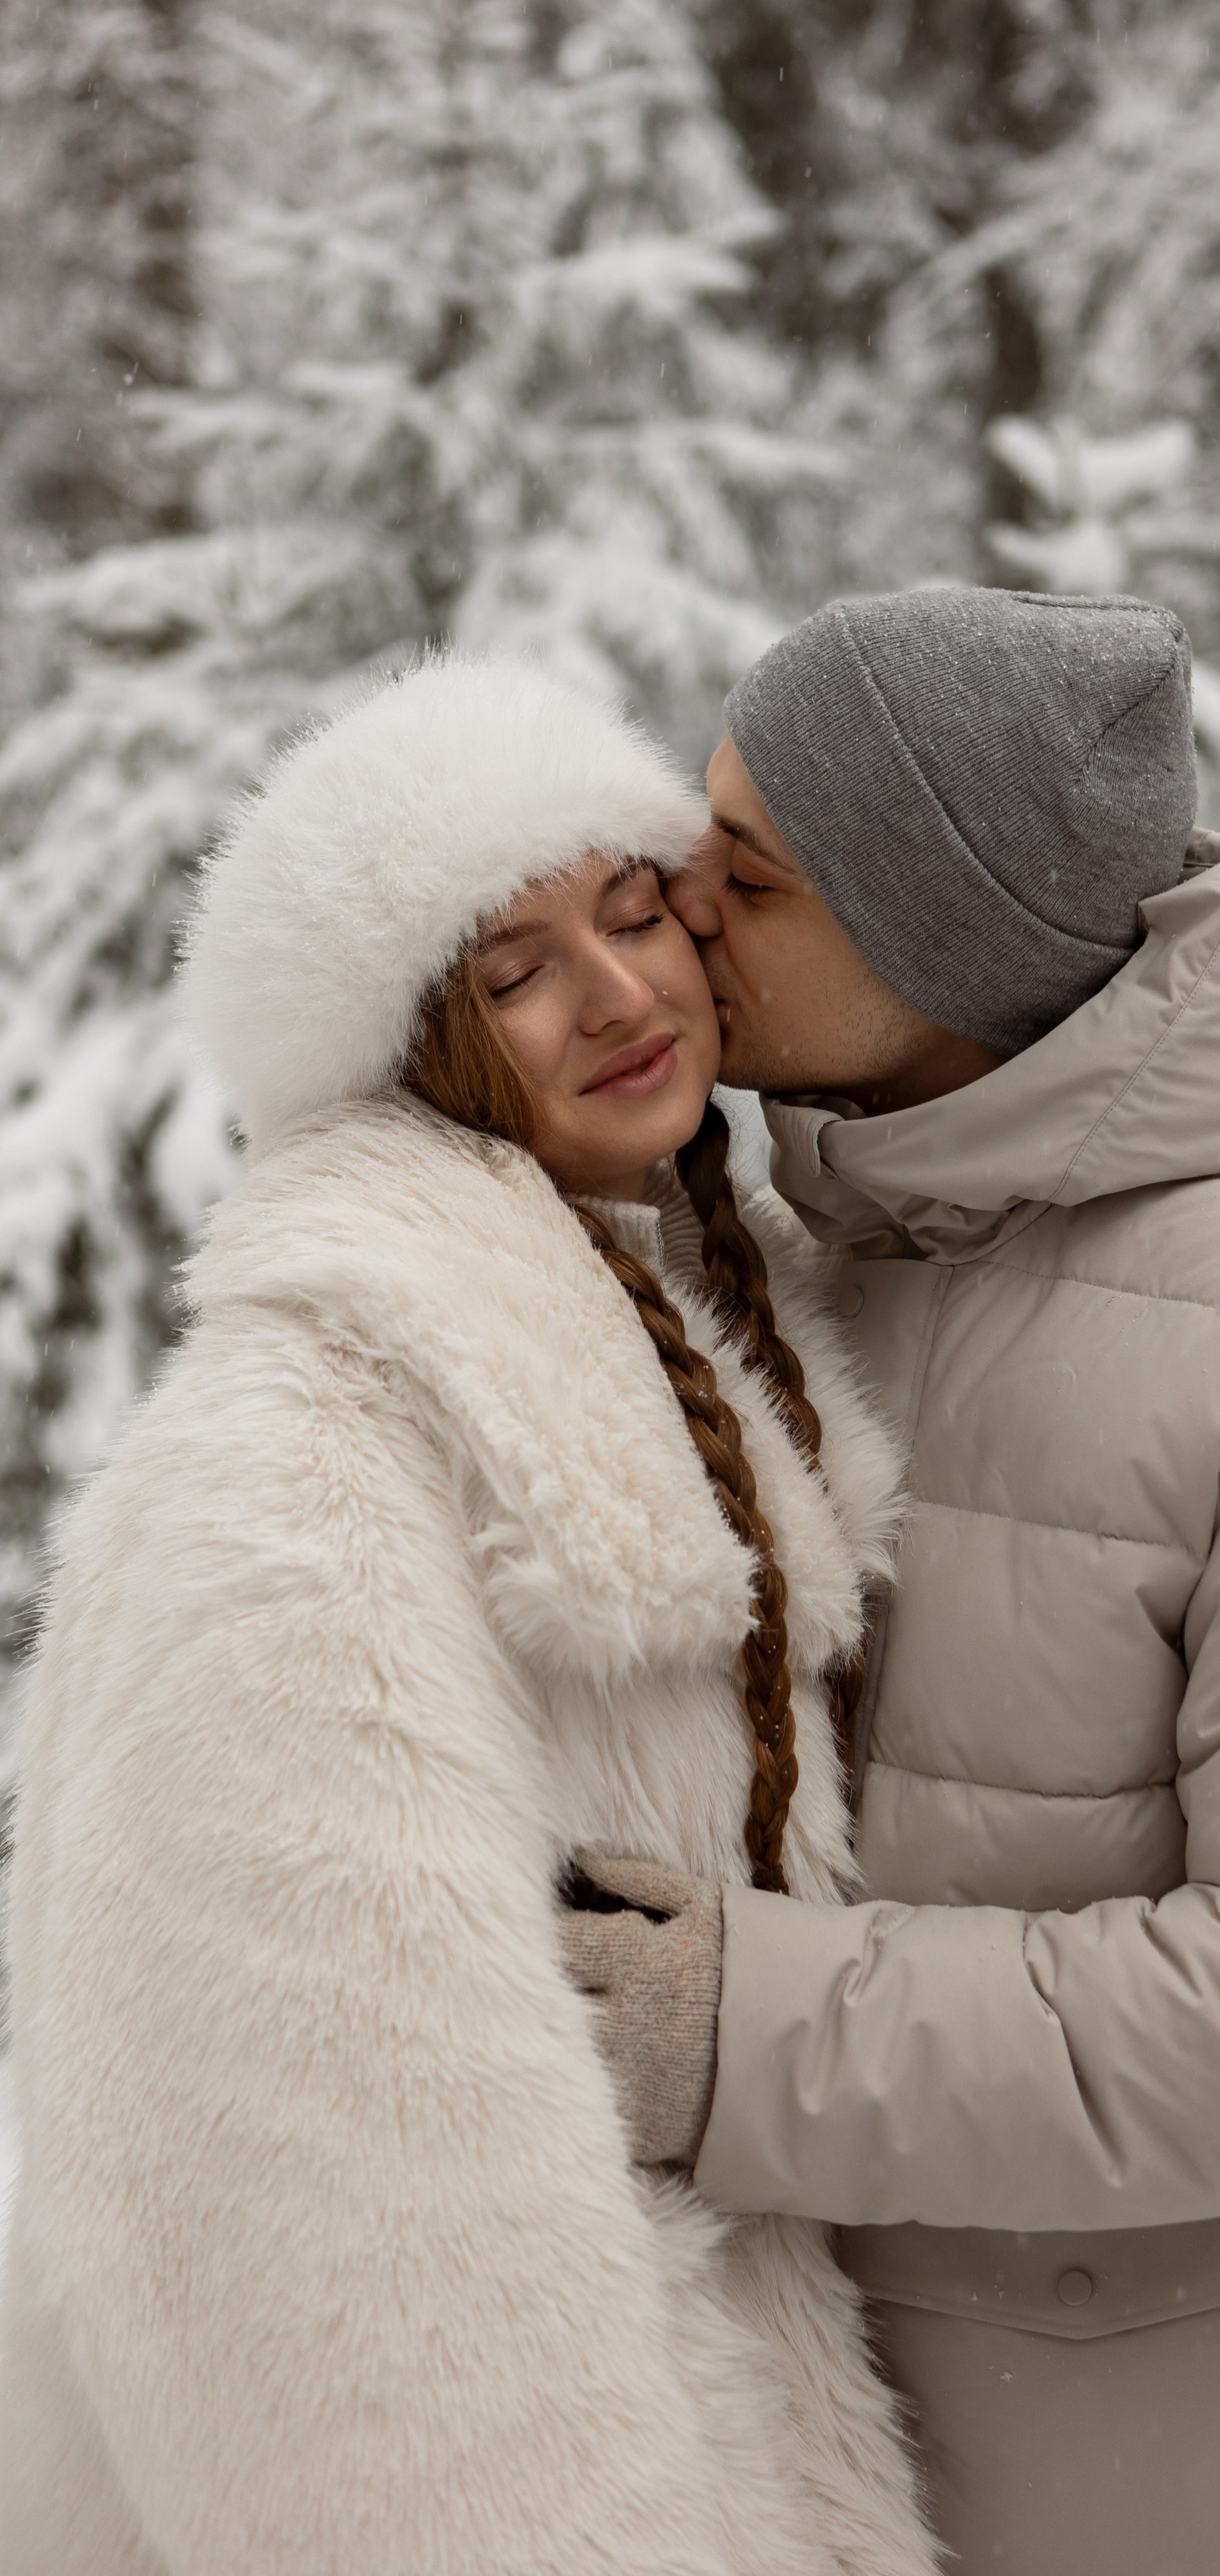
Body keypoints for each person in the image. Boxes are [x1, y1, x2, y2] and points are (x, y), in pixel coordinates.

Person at [566, 588, 1220, 2576]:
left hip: (1198, 2493)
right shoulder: (807, 1273)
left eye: (751, 872)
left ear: (940, 934)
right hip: (837, 2465)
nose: (684, 903)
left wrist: (734, 2035)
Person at [0, 657, 938, 2576]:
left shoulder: (709, 1328)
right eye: (509, 970)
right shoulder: (303, 1461)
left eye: (633, 910)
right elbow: (319, 2217)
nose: (615, 996)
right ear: (405, 1044)